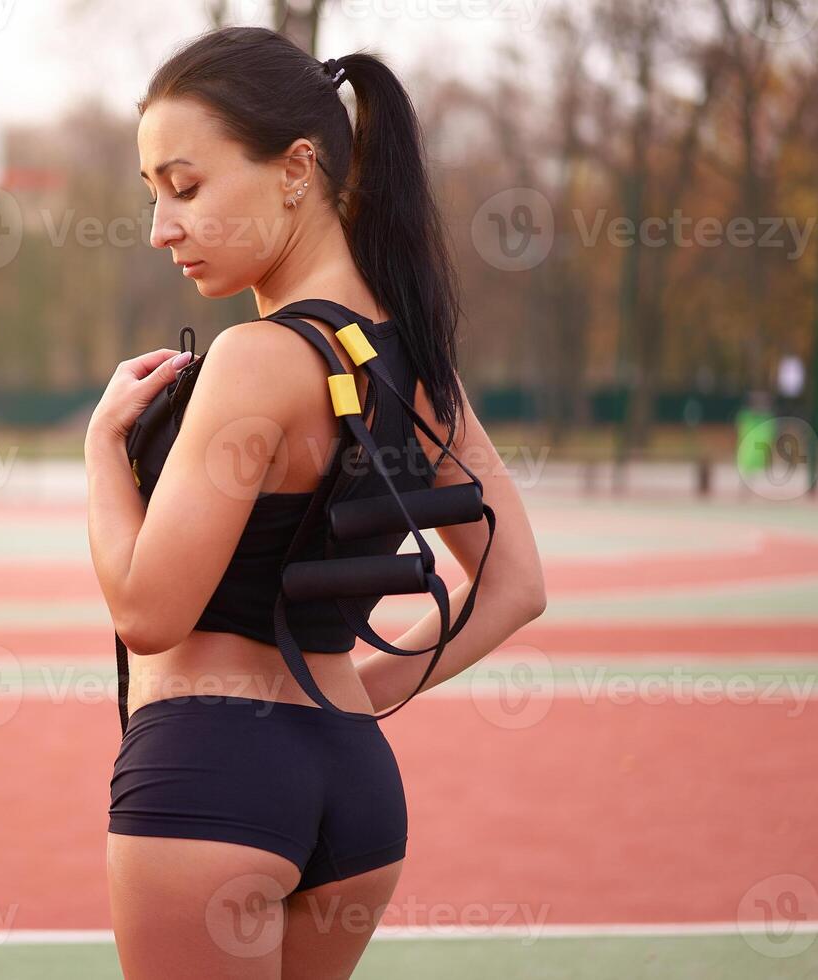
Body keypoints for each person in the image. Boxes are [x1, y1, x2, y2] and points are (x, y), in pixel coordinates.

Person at [85, 28, 548, 978]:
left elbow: (146, 611)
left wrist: (99, 447)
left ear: (296, 169)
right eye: (151, 194)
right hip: (356, 793)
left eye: (186, 186)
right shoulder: (411, 359)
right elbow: (515, 588)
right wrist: (350, 704)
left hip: (211, 781)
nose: (160, 226)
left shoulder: (255, 358)